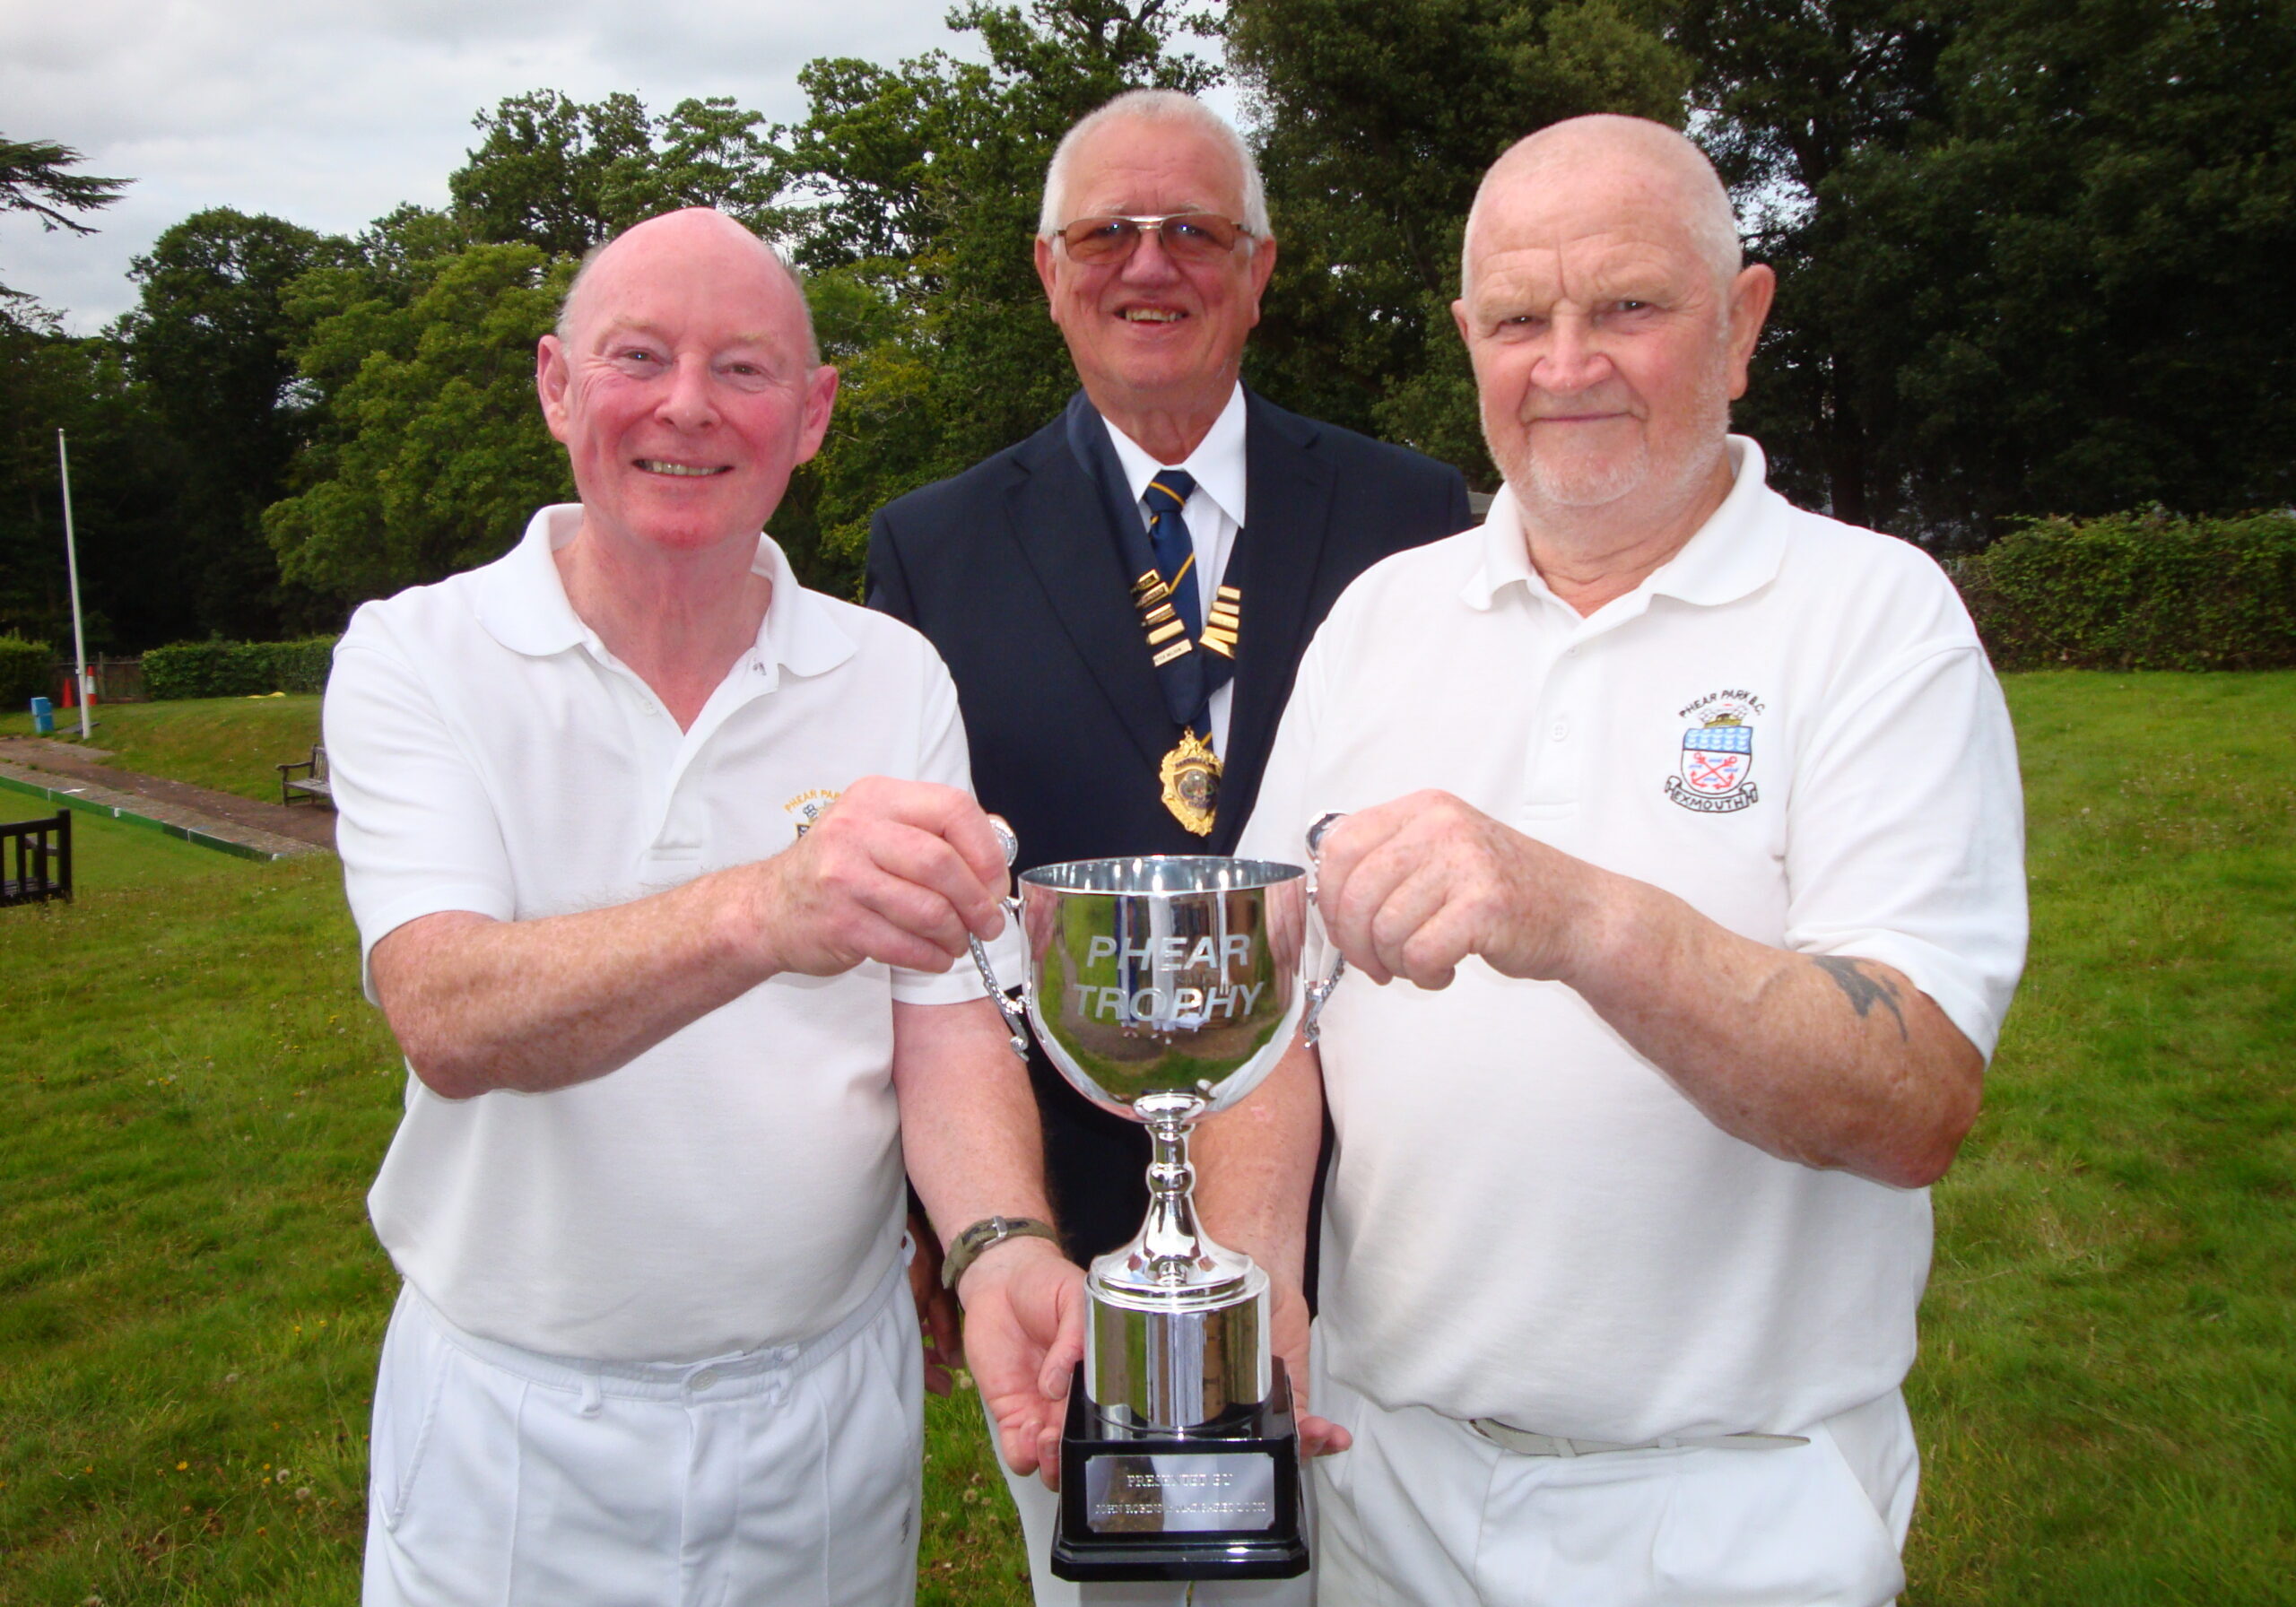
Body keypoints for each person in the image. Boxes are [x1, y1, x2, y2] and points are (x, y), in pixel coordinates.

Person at [1203, 115, 2029, 1607]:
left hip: (1735, 1507)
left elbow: (1912, 1100)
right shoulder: (1383, 620)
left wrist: (1572, 911)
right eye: (1520, 319)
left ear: (1742, 325)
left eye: (1628, 308)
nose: (1565, 364)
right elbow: (1265, 1002)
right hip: (1387, 1481)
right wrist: (1256, 1288)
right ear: (1468, 338)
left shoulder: (1876, 619)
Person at [325, 207, 1083, 1607]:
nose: (687, 406)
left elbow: (950, 1024)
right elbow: (446, 1011)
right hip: (516, 1431)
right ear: (557, 385)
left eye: (744, 369)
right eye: (638, 357)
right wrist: (764, 911)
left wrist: (998, 1246)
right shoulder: (417, 654)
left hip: (827, 1422)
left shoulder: (890, 673)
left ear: (813, 416)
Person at [866, 89, 1472, 1603]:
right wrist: (955, 1227)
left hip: (1377, 1227)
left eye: (1195, 230)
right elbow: (923, 922)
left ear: (1260, 271)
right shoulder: (931, 548)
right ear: (1048, 269)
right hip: (1073, 1247)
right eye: (1109, 233)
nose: (1152, 265)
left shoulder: (1413, 514)